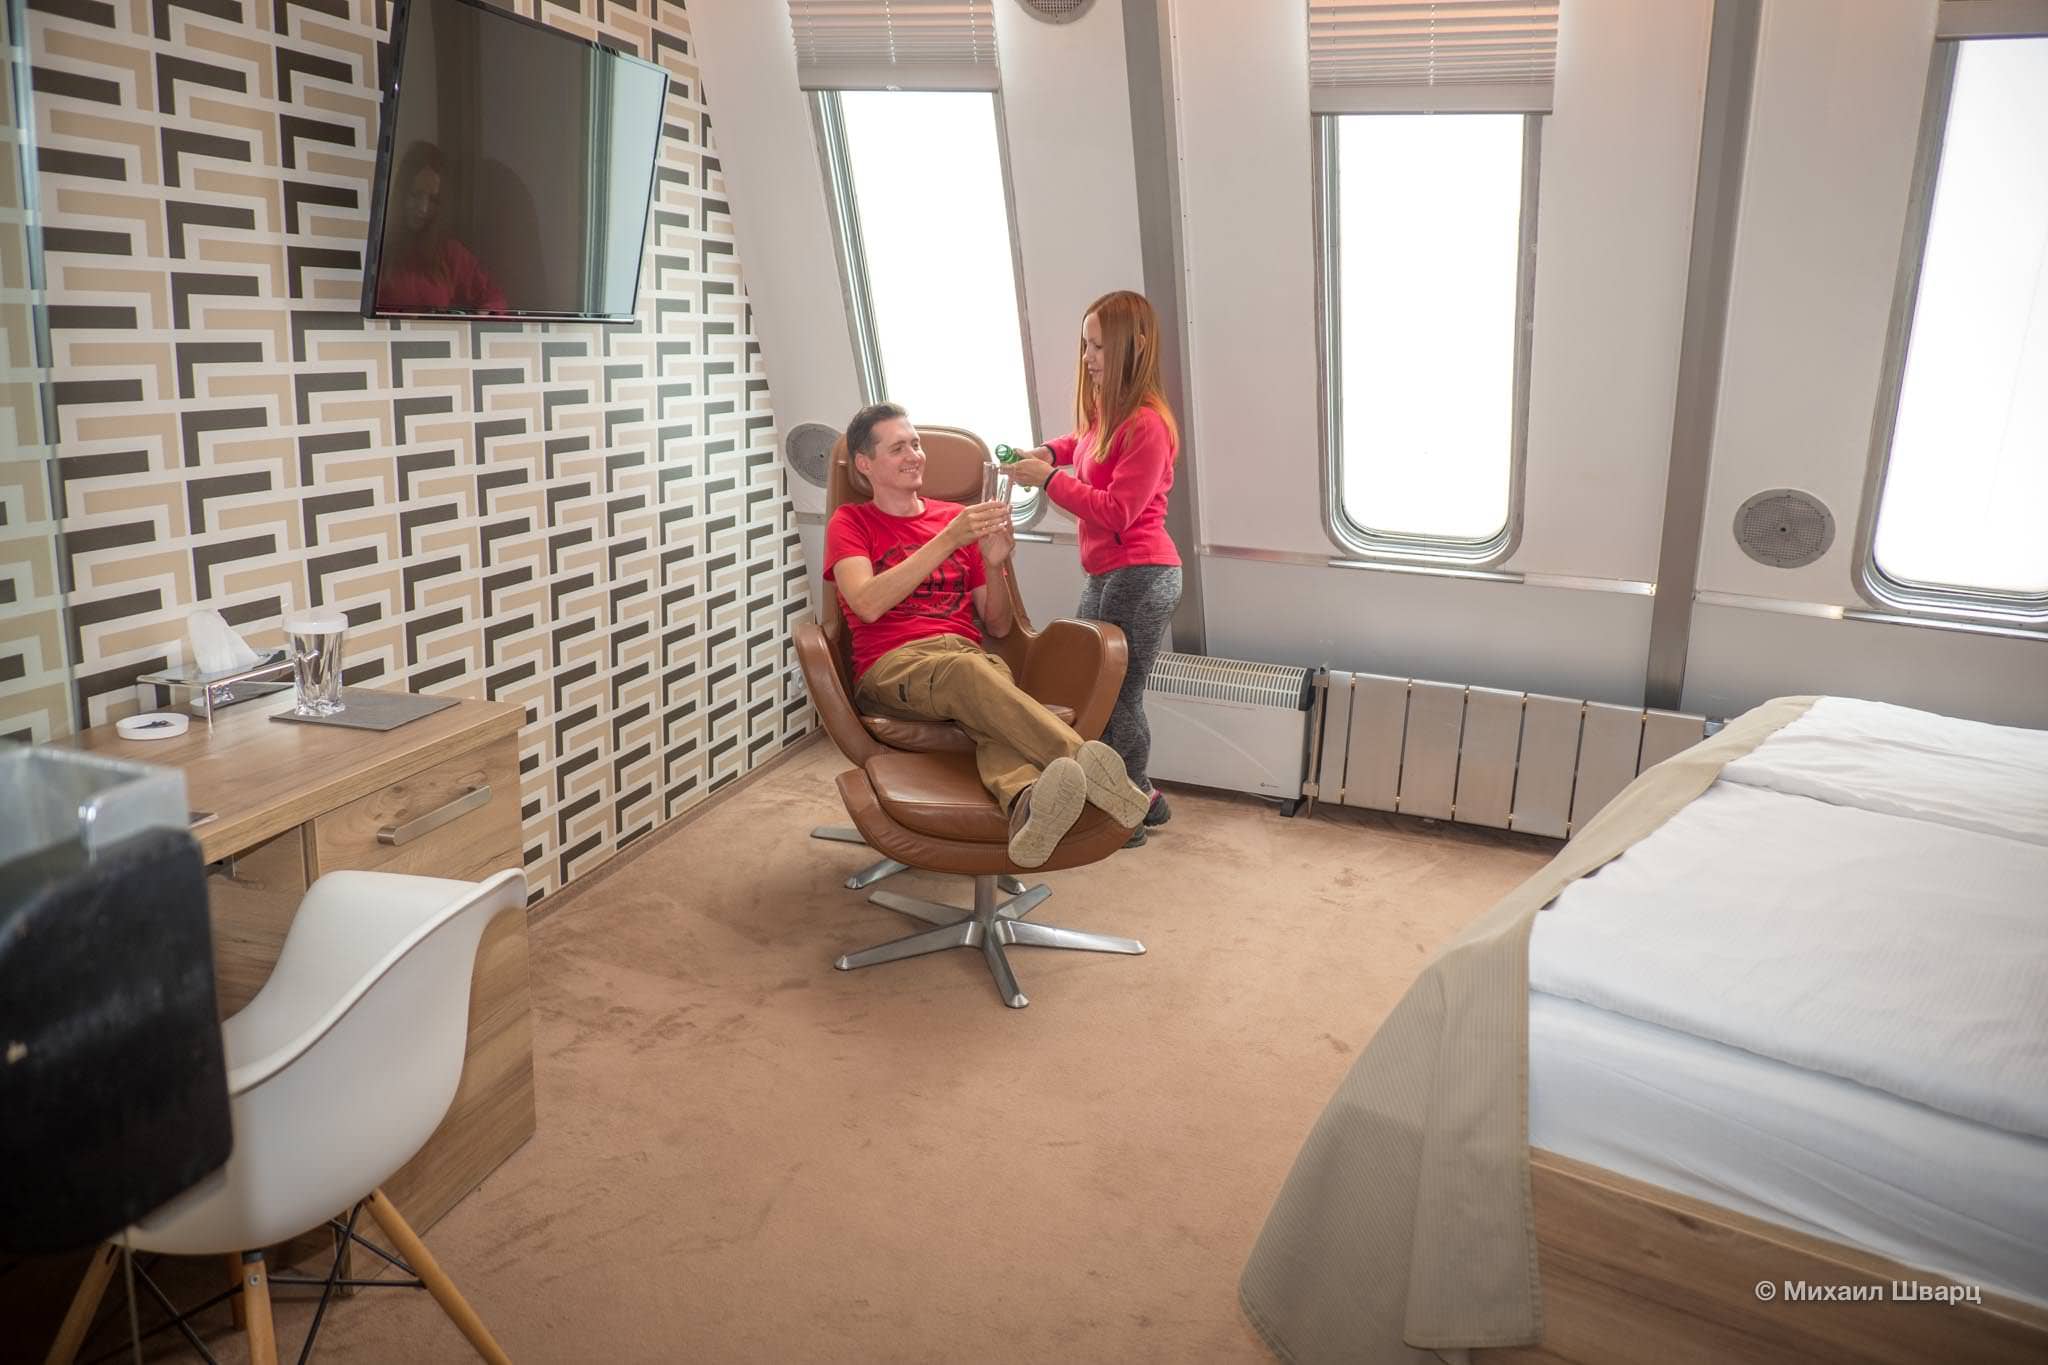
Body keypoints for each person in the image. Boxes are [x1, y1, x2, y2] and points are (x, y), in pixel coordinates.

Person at [825, 402, 1152, 869]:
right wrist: (948, 540)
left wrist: (994, 563)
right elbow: (866, 603)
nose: (914, 455)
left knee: (986, 696)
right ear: (864, 463)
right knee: (972, 675)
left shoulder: (957, 519)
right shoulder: (852, 522)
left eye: (915, 444)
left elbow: (997, 624)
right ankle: (1086, 764)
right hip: (894, 665)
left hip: (968, 660)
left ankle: (1027, 804)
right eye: (898, 448)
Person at [1005, 290, 1182, 847]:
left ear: (1135, 347)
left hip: (1142, 575)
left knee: (1116, 695)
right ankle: (1142, 799)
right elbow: (1083, 443)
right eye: (1086, 345)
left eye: (1099, 347)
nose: (1088, 358)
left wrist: (1048, 482)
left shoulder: (1148, 426)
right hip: (1110, 572)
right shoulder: (1113, 413)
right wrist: (1047, 454)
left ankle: (1125, 810)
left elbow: (1117, 511)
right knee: (1091, 685)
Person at [375, 142, 508, 314]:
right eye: (415, 194)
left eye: (433, 200)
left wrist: (482, 316)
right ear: (401, 192)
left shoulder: (448, 252)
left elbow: (495, 298)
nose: (423, 208)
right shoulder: (379, 247)